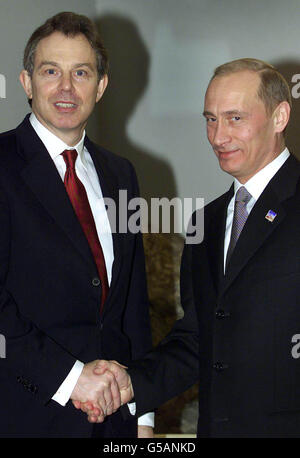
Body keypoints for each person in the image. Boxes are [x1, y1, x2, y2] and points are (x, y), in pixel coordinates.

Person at [79, 58, 300, 437]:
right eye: (210, 119)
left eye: (235, 118)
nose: (217, 137)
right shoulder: (206, 222)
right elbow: (198, 339)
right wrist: (131, 385)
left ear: (280, 117)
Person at [0, 11, 154, 438]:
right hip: (26, 416)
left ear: (100, 86)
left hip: (117, 421)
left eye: (81, 73)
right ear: (27, 82)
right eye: (51, 71)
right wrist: (72, 378)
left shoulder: (122, 174)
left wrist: (143, 414)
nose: (66, 88)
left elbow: (133, 306)